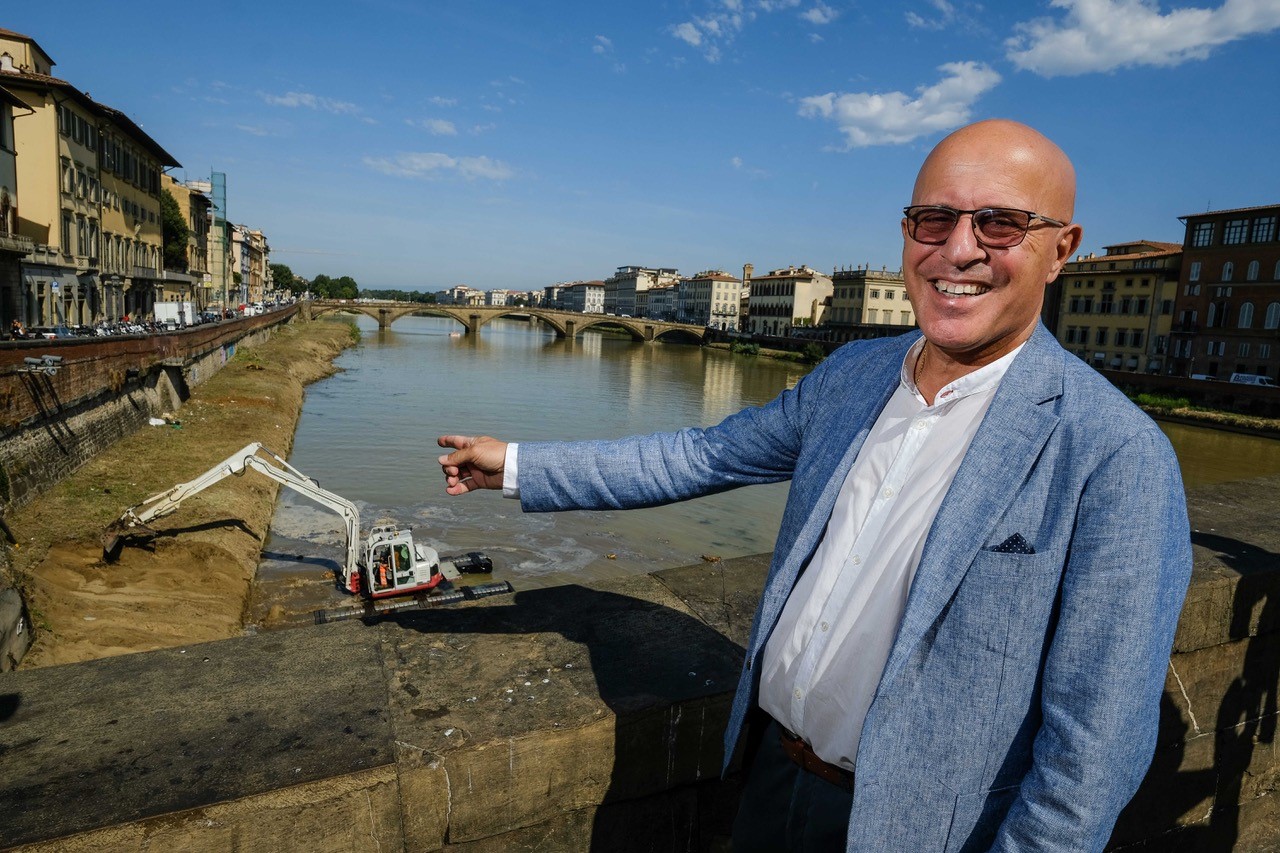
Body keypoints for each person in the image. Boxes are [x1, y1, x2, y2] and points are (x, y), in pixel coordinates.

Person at [436, 120, 1192, 852]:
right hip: (770, 777)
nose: (958, 249)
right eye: (934, 220)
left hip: (921, 829)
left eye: (1000, 224)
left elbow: (1093, 754)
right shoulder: (852, 376)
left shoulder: (1115, 454)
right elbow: (700, 456)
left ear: (1060, 250)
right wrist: (519, 464)